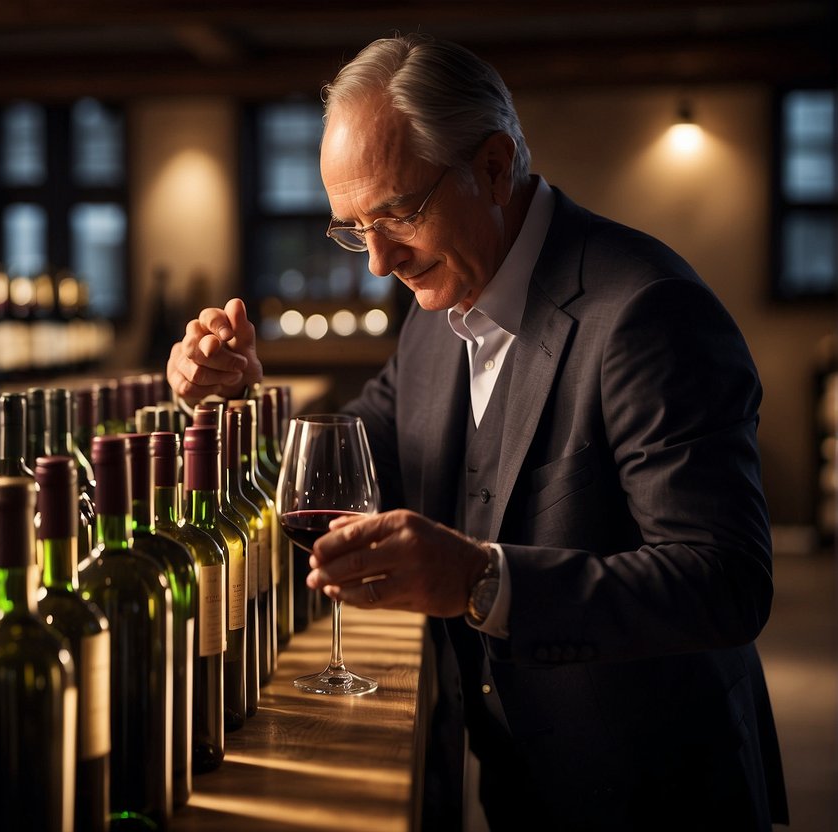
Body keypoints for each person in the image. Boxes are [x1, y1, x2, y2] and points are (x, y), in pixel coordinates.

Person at [167, 34, 788, 832]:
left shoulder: (646, 311)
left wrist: (482, 584)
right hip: (514, 776)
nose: (377, 264)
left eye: (394, 215)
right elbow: (361, 462)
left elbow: (724, 583)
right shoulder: (438, 311)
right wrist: (239, 395)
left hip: (657, 791)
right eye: (353, 229)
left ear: (493, 167)